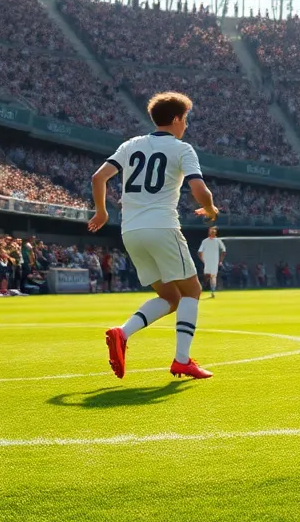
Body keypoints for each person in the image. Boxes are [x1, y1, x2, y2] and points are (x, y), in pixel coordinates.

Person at [88, 92, 220, 381]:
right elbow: (200, 190)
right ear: (175, 119)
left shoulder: (131, 145)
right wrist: (210, 208)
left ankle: (122, 333)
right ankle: (182, 360)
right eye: (184, 119)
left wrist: (101, 212)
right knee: (192, 291)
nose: (185, 125)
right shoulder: (182, 149)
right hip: (162, 227)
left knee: (170, 297)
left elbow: (98, 178)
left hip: (131, 231)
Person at [198, 227, 226, 299]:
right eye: (212, 231)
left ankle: (212, 292)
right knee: (207, 276)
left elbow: (224, 251)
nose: (213, 233)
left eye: (214, 232)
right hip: (208, 262)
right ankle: (202, 290)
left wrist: (220, 261)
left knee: (213, 276)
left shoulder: (218, 241)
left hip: (214, 262)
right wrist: (203, 260)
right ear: (209, 232)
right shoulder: (205, 241)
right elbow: (200, 252)